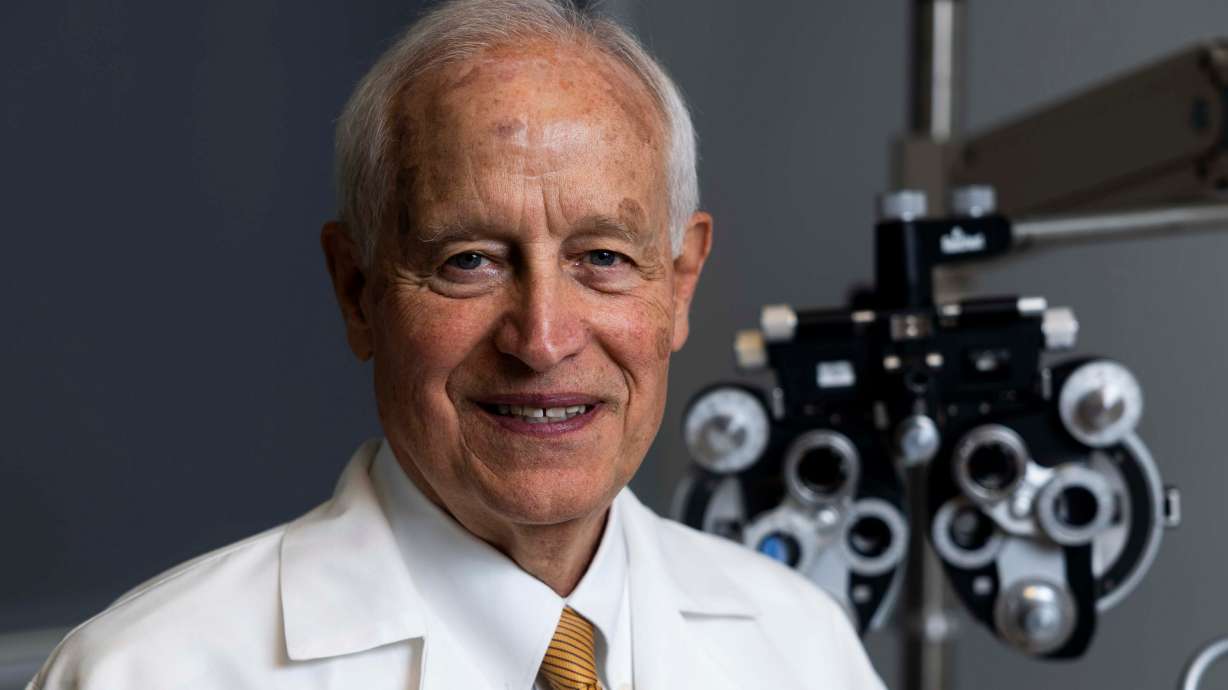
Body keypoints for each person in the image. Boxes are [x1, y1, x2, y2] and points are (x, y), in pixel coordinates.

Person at [28, 1, 885, 688]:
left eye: (602, 259)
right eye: (468, 260)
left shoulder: (800, 649)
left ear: (681, 284)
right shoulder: (142, 673)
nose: (542, 340)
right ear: (357, 291)